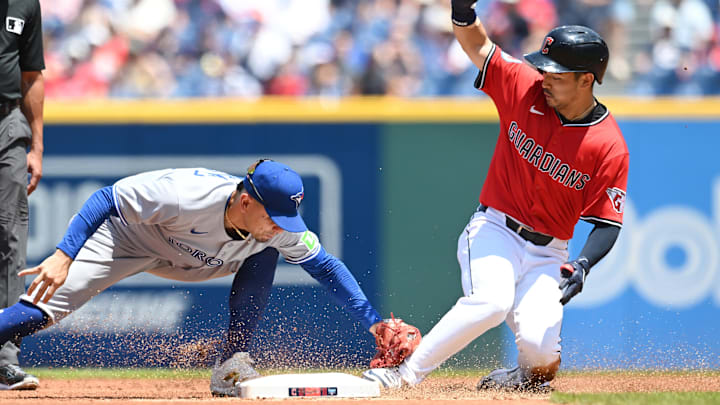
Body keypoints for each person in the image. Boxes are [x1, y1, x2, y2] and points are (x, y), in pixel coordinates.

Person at [363, 1, 629, 392]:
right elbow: (479, 48)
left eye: (556, 72)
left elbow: (607, 222)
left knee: (541, 359)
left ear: (586, 79)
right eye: (544, 66)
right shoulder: (526, 87)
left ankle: (519, 378)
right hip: (495, 230)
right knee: (491, 302)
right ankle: (402, 373)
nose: (544, 76)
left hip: (548, 252)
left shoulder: (608, 145)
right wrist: (463, 14)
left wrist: (584, 264)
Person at [0, 160, 387, 396]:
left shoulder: (273, 227)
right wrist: (64, 255)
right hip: (125, 238)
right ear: (246, 201)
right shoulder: (185, 193)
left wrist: (374, 322)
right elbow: (106, 198)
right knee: (35, 316)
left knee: (265, 249)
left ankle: (231, 362)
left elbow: (326, 266)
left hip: (196, 259)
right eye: (274, 216)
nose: (280, 226)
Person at [0, 0, 45, 391]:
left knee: (11, 239)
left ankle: (3, 358)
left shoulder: (24, 3)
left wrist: (37, 146)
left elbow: (31, 75)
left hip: (8, 121)